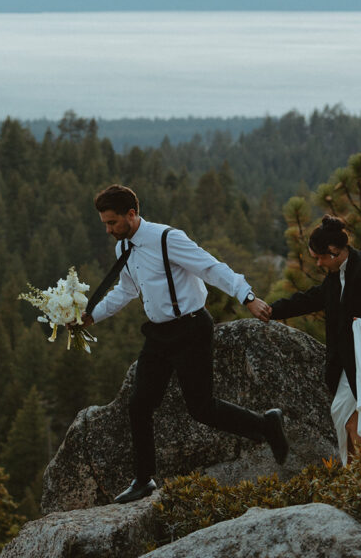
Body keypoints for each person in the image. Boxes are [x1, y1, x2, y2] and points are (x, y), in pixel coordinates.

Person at [78, 183, 290, 504]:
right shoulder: (123, 248)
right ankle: (144, 479)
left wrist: (246, 295)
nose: (108, 230)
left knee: (201, 409)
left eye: (112, 223)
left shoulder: (167, 238)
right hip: (159, 334)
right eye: (105, 223)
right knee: (139, 404)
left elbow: (210, 267)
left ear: (131, 214)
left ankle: (266, 425)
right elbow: (125, 291)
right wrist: (91, 315)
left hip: (191, 329)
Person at [268, 215, 361, 465]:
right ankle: (356, 482)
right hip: (349, 369)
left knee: (357, 428)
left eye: (319, 257)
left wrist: (359, 327)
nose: (317, 263)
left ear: (334, 251)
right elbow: (312, 298)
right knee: (349, 426)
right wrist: (273, 311)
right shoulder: (338, 274)